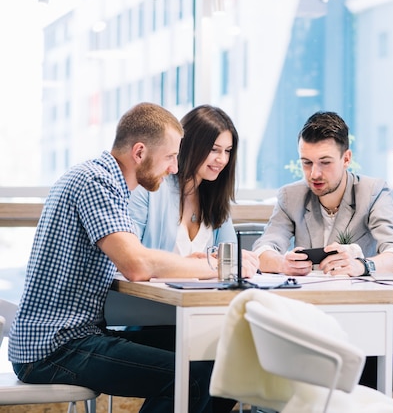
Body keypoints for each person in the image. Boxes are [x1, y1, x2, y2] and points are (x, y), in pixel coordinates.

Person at [8, 103, 234, 413]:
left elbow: (135, 258)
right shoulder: (95, 182)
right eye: (170, 157)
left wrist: (192, 265)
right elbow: (137, 265)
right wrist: (211, 266)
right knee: (196, 378)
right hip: (55, 347)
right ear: (139, 152)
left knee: (222, 361)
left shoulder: (107, 183)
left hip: (76, 336)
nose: (174, 169)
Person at [254, 111, 393, 277]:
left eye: (325, 162)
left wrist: (361, 266)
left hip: (358, 297)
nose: (314, 174)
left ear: (346, 159)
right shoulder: (290, 196)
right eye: (307, 163)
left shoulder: (372, 191)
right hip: (306, 295)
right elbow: (262, 251)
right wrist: (282, 263)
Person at [129, 104, 259, 277]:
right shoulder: (149, 189)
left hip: (203, 299)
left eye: (227, 151)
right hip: (154, 299)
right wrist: (187, 266)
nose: (222, 159)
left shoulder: (216, 199)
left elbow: (230, 264)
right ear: (188, 145)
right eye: (214, 150)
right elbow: (130, 260)